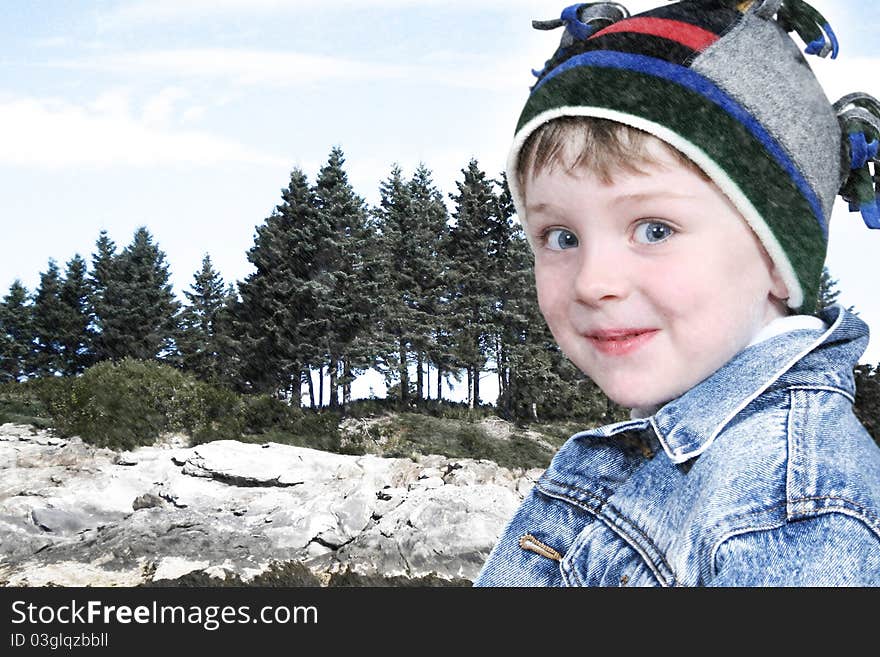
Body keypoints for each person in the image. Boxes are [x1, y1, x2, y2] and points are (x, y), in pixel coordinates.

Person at [474, 0, 880, 586]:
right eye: (561, 236)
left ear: (776, 256)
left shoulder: (791, 514)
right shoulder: (677, 457)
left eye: (654, 230)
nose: (594, 283)